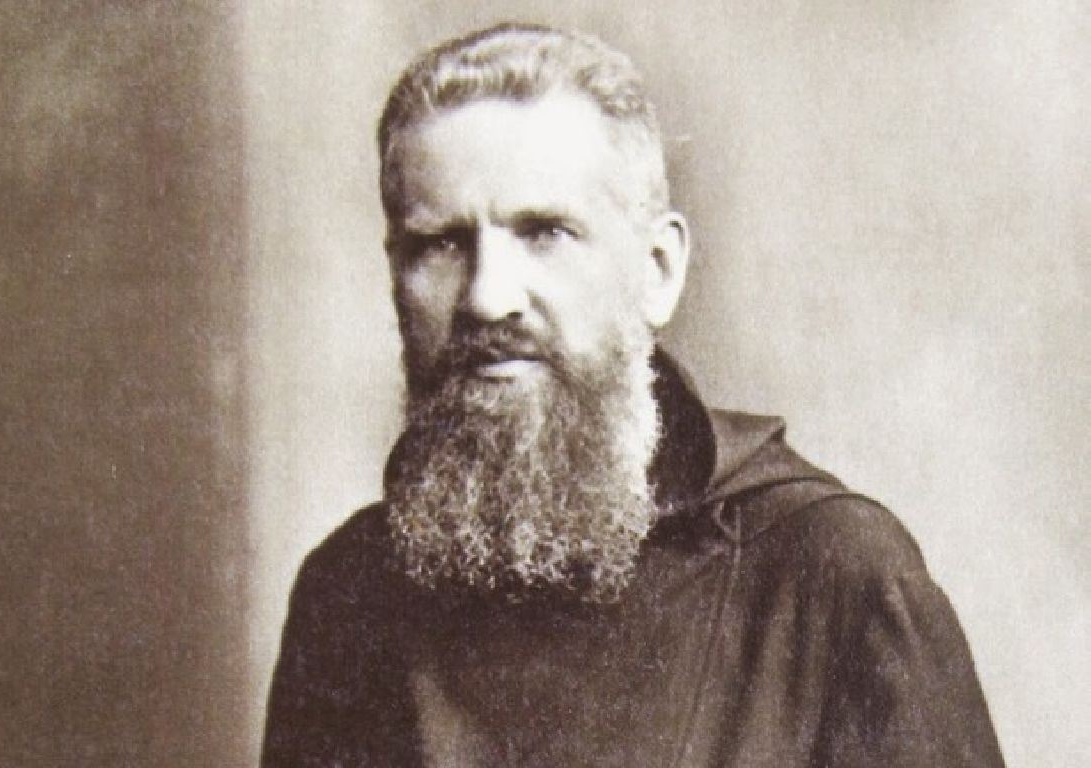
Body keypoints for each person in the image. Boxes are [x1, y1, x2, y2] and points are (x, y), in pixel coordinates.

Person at [261, 22, 1005, 768]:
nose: (488, 297)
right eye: (442, 244)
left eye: (544, 232)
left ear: (657, 271)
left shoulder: (835, 575)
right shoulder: (345, 591)